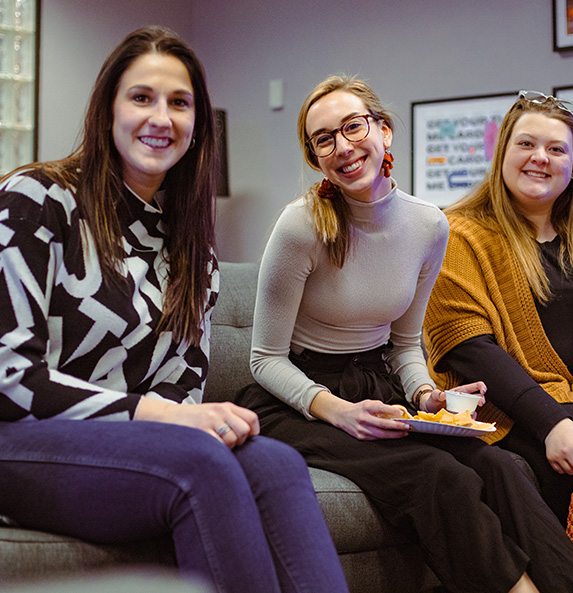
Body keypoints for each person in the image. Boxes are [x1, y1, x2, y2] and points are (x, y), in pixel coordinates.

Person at [0, 26, 349, 593]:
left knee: (278, 463)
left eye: (179, 102)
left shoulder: (192, 250)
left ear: (197, 127)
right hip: (21, 439)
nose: (160, 117)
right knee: (201, 465)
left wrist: (177, 417)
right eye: (141, 97)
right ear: (107, 111)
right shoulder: (37, 199)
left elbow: (183, 386)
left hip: (129, 446)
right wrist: (160, 418)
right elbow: (9, 378)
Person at [235, 75, 573, 593]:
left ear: (383, 132)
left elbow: (405, 345)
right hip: (299, 402)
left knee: (502, 466)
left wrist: (428, 395)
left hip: (379, 390)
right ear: (315, 157)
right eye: (323, 139)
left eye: (353, 127)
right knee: (440, 475)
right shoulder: (301, 227)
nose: (342, 146)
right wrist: (340, 411)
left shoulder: (429, 225)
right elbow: (264, 360)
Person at [424, 90, 573, 526]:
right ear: (502, 155)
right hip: (519, 390)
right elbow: (467, 348)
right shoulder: (458, 233)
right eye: (526, 144)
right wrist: (551, 422)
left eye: (557, 149)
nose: (541, 158)